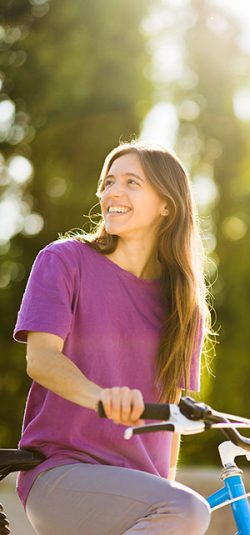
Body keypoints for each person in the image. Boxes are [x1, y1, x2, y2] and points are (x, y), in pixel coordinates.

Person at [13, 140, 211, 534]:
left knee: (183, 508)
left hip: (140, 489)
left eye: (131, 182)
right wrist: (101, 397)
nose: (112, 192)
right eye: (109, 182)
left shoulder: (184, 308)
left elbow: (169, 420)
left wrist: (165, 492)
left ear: (166, 205)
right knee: (188, 509)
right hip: (61, 471)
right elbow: (42, 359)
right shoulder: (63, 260)